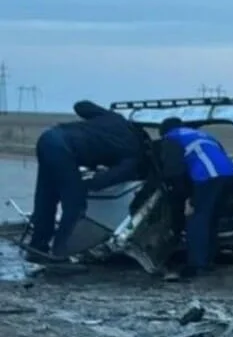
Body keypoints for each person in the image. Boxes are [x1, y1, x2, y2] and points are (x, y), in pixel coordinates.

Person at [27, 100, 145, 262]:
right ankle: (60, 253)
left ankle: (37, 247)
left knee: (46, 199)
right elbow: (103, 181)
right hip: (64, 150)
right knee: (75, 206)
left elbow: (80, 106)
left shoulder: (114, 118)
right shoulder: (133, 154)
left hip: (48, 138)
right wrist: (83, 184)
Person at [158, 117, 233, 279]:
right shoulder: (202, 135)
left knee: (196, 218)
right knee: (211, 219)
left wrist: (187, 197)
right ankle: (209, 259)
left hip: (206, 176)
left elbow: (175, 171)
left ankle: (196, 265)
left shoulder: (171, 138)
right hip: (230, 174)